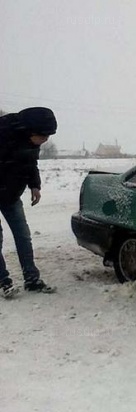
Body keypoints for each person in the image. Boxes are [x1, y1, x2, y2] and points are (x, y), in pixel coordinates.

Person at [0, 107, 57, 297]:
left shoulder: (31, 140)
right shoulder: (3, 134)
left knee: (23, 235)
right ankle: (3, 281)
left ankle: (31, 279)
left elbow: (31, 163)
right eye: (44, 136)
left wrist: (35, 186)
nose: (46, 140)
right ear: (31, 132)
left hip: (11, 195)